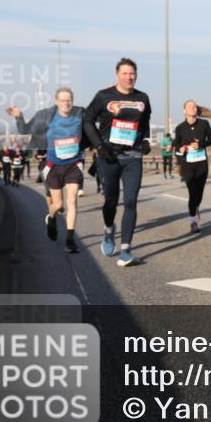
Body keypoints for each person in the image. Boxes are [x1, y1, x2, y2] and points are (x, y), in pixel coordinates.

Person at [83, 57, 152, 267]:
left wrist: (146, 140)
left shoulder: (143, 98)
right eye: (124, 73)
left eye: (132, 73)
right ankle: (108, 229)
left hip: (133, 157)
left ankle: (125, 251)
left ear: (136, 76)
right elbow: (87, 120)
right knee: (111, 202)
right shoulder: (104, 96)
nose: (129, 77)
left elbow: (146, 120)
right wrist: (99, 146)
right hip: (109, 157)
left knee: (130, 201)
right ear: (117, 75)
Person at [42, 87, 88, 253]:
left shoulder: (78, 118)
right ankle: (51, 217)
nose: (66, 103)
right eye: (62, 100)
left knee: (72, 201)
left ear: (72, 101)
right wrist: (19, 117)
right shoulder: (48, 119)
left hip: (73, 164)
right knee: (58, 204)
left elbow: (94, 120)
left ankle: (70, 239)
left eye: (68, 99)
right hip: (54, 166)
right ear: (56, 102)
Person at [173, 100, 211, 233]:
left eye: (194, 106)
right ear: (184, 110)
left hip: (202, 163)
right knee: (192, 193)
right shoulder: (180, 128)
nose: (192, 108)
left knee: (199, 194)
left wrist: (200, 144)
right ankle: (193, 222)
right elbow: (176, 146)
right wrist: (181, 150)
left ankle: (195, 208)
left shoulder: (204, 124)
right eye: (189, 106)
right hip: (187, 165)